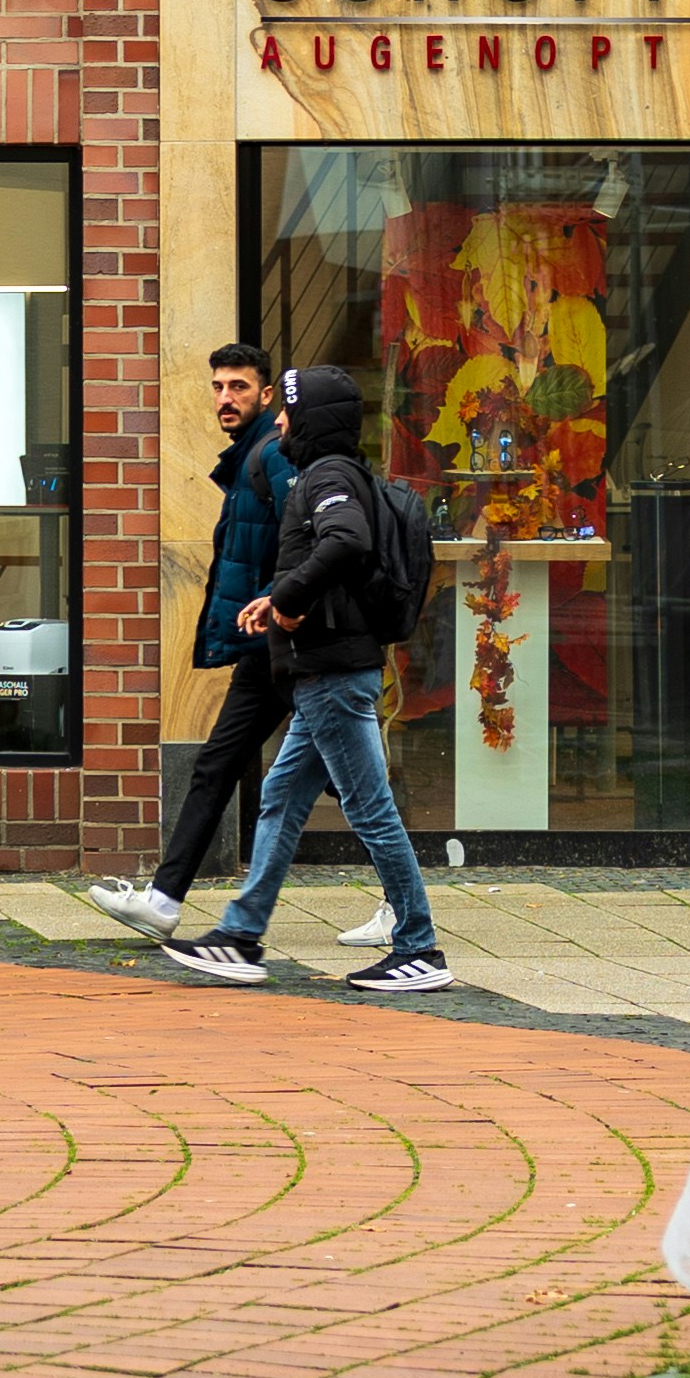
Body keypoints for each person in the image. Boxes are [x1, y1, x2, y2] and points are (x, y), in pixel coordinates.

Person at [159, 363, 451, 996]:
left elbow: (344, 541)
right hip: (329, 670)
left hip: (333, 674)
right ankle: (239, 937)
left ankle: (419, 946)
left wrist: (286, 597)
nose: (281, 420)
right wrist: (280, 600)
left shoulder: (328, 476)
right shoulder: (334, 474)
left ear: (312, 419)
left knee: (371, 811)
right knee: (283, 799)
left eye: (290, 411)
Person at [88, 344, 294, 933]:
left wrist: (281, 597)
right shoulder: (251, 454)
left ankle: (401, 905)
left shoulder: (273, 455)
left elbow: (309, 535)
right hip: (266, 650)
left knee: (352, 781)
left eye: (239, 387)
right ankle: (164, 901)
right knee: (216, 764)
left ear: (266, 393)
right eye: (218, 386)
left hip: (289, 646)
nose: (226, 398)